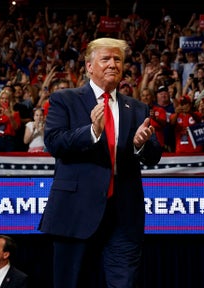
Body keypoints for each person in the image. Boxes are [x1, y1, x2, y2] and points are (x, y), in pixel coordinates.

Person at [38, 37, 162, 288]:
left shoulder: (137, 108)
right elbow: (54, 143)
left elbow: (154, 154)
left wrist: (140, 144)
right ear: (89, 66)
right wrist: (92, 131)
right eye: (105, 59)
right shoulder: (65, 99)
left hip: (124, 216)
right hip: (75, 212)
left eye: (117, 59)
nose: (112, 64)